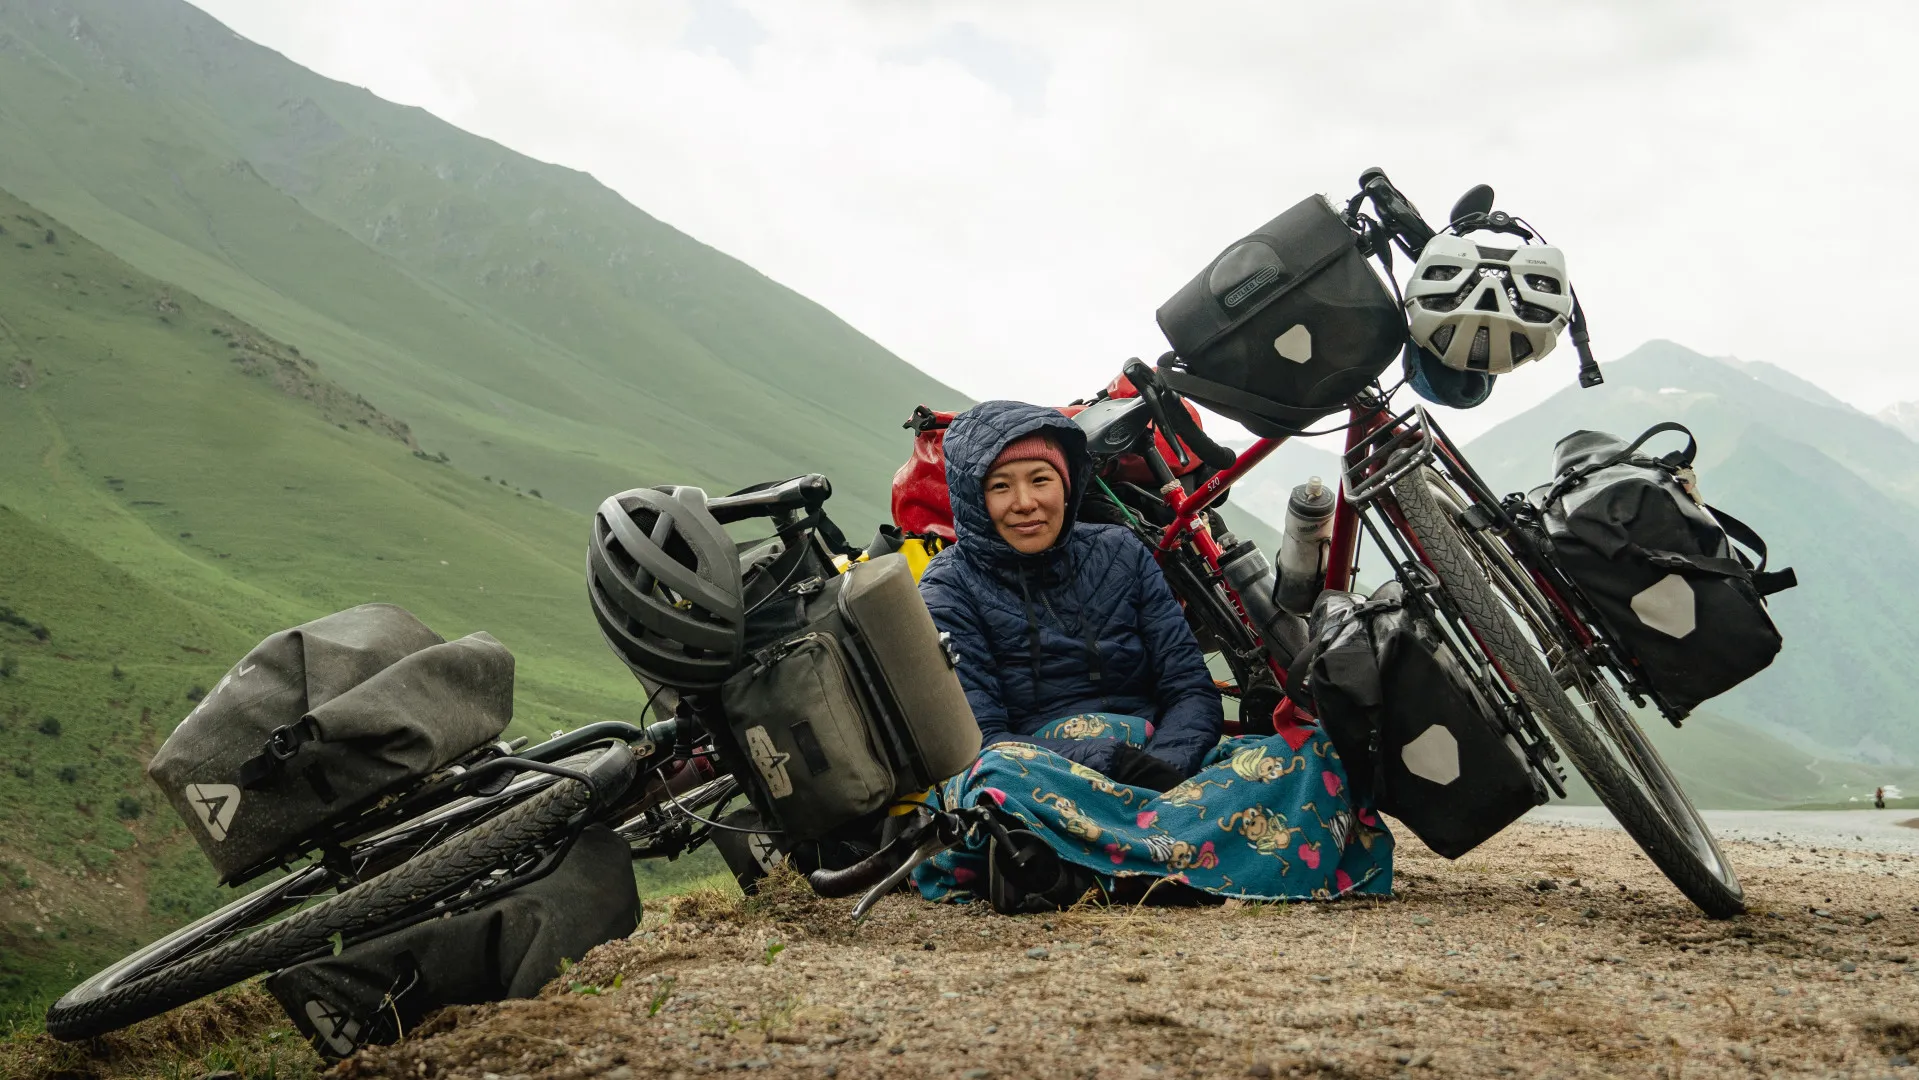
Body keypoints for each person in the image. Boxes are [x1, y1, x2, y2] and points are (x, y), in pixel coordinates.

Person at [914, 400, 1393, 912]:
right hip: (1047, 774)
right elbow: (980, 737)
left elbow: (1189, 688)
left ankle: (1096, 868)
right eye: (1000, 487)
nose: (1026, 503)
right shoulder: (948, 586)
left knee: (1315, 751)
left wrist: (1168, 762)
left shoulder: (1121, 552)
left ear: (1067, 484)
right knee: (993, 778)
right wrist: (1109, 761)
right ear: (973, 497)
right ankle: (1194, 856)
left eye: (1040, 480)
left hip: (1160, 765)